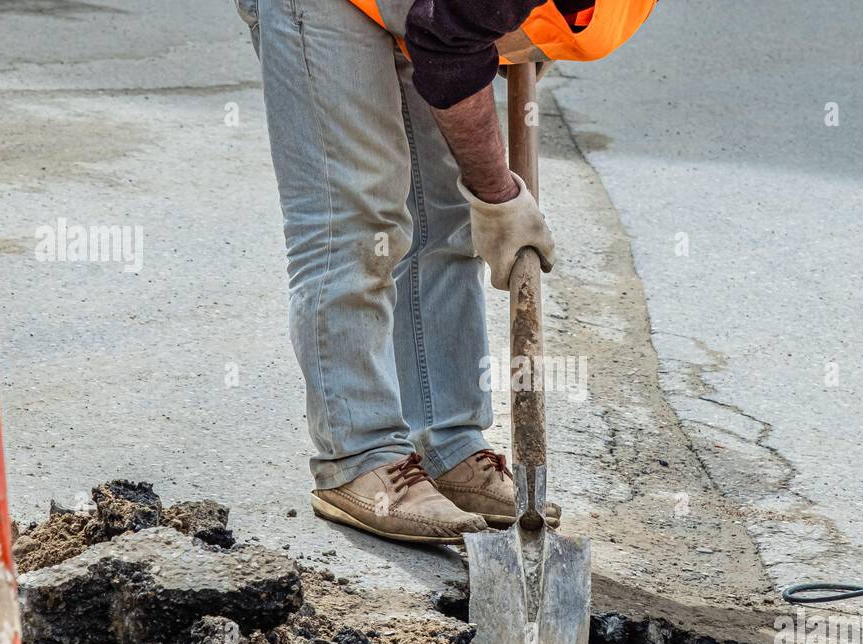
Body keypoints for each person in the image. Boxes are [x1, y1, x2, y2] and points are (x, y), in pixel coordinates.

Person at [235, 0, 655, 543]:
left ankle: (446, 442)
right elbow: (446, 40)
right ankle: (357, 455)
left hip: (420, 12)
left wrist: (509, 42)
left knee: (442, 215)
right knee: (356, 213)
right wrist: (499, 197)